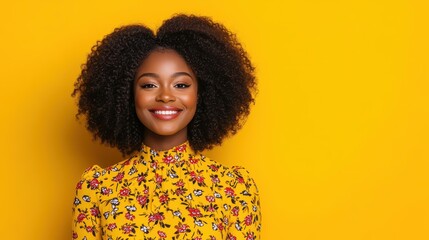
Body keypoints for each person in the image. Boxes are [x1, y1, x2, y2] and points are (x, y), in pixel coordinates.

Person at [71, 14, 261, 240]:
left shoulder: (234, 188)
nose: (165, 96)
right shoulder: (97, 188)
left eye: (181, 84)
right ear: (128, 95)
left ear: (201, 94)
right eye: (149, 85)